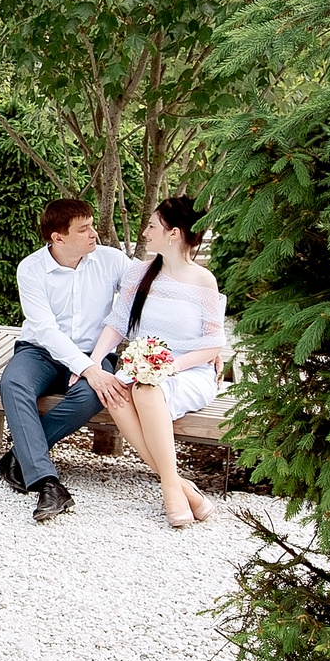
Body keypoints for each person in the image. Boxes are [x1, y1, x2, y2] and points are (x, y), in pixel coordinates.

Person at [91, 196, 228, 529]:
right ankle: (182, 486)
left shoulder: (203, 281)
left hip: (187, 370)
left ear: (175, 234)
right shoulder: (140, 272)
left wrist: (168, 367)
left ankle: (170, 488)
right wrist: (94, 363)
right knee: (115, 394)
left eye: (152, 225)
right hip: (143, 368)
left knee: (147, 390)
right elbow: (117, 321)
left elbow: (212, 344)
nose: (146, 231)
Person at [0, 197, 133, 523]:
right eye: (83, 229)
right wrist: (83, 367)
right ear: (58, 237)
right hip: (39, 351)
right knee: (12, 383)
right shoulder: (31, 268)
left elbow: (147, 292)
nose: (94, 234)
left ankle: (20, 456)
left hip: (93, 354)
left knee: (96, 393)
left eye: (92, 226)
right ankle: (48, 483)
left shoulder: (112, 260)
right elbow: (44, 329)